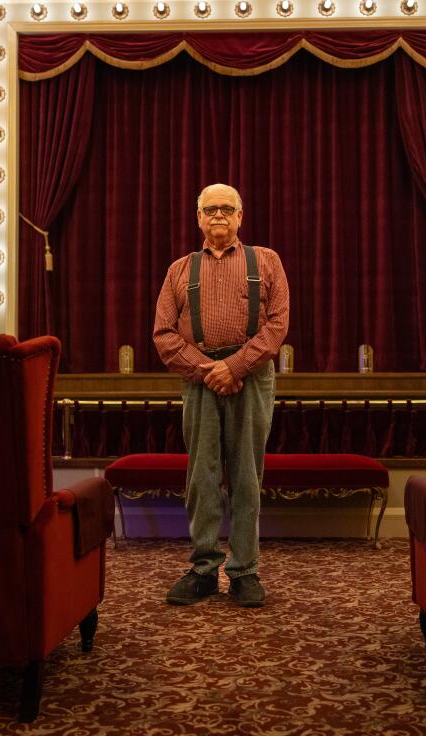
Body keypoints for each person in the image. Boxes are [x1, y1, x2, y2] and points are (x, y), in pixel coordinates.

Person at [152, 183, 290, 608]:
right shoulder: (179, 270)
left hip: (251, 377)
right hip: (200, 378)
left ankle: (245, 571)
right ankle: (204, 569)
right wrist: (208, 370)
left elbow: (277, 326)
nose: (218, 216)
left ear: (240, 216)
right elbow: (163, 335)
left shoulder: (266, 261)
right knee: (202, 475)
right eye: (210, 209)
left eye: (226, 209)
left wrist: (235, 367)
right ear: (198, 217)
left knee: (247, 475)